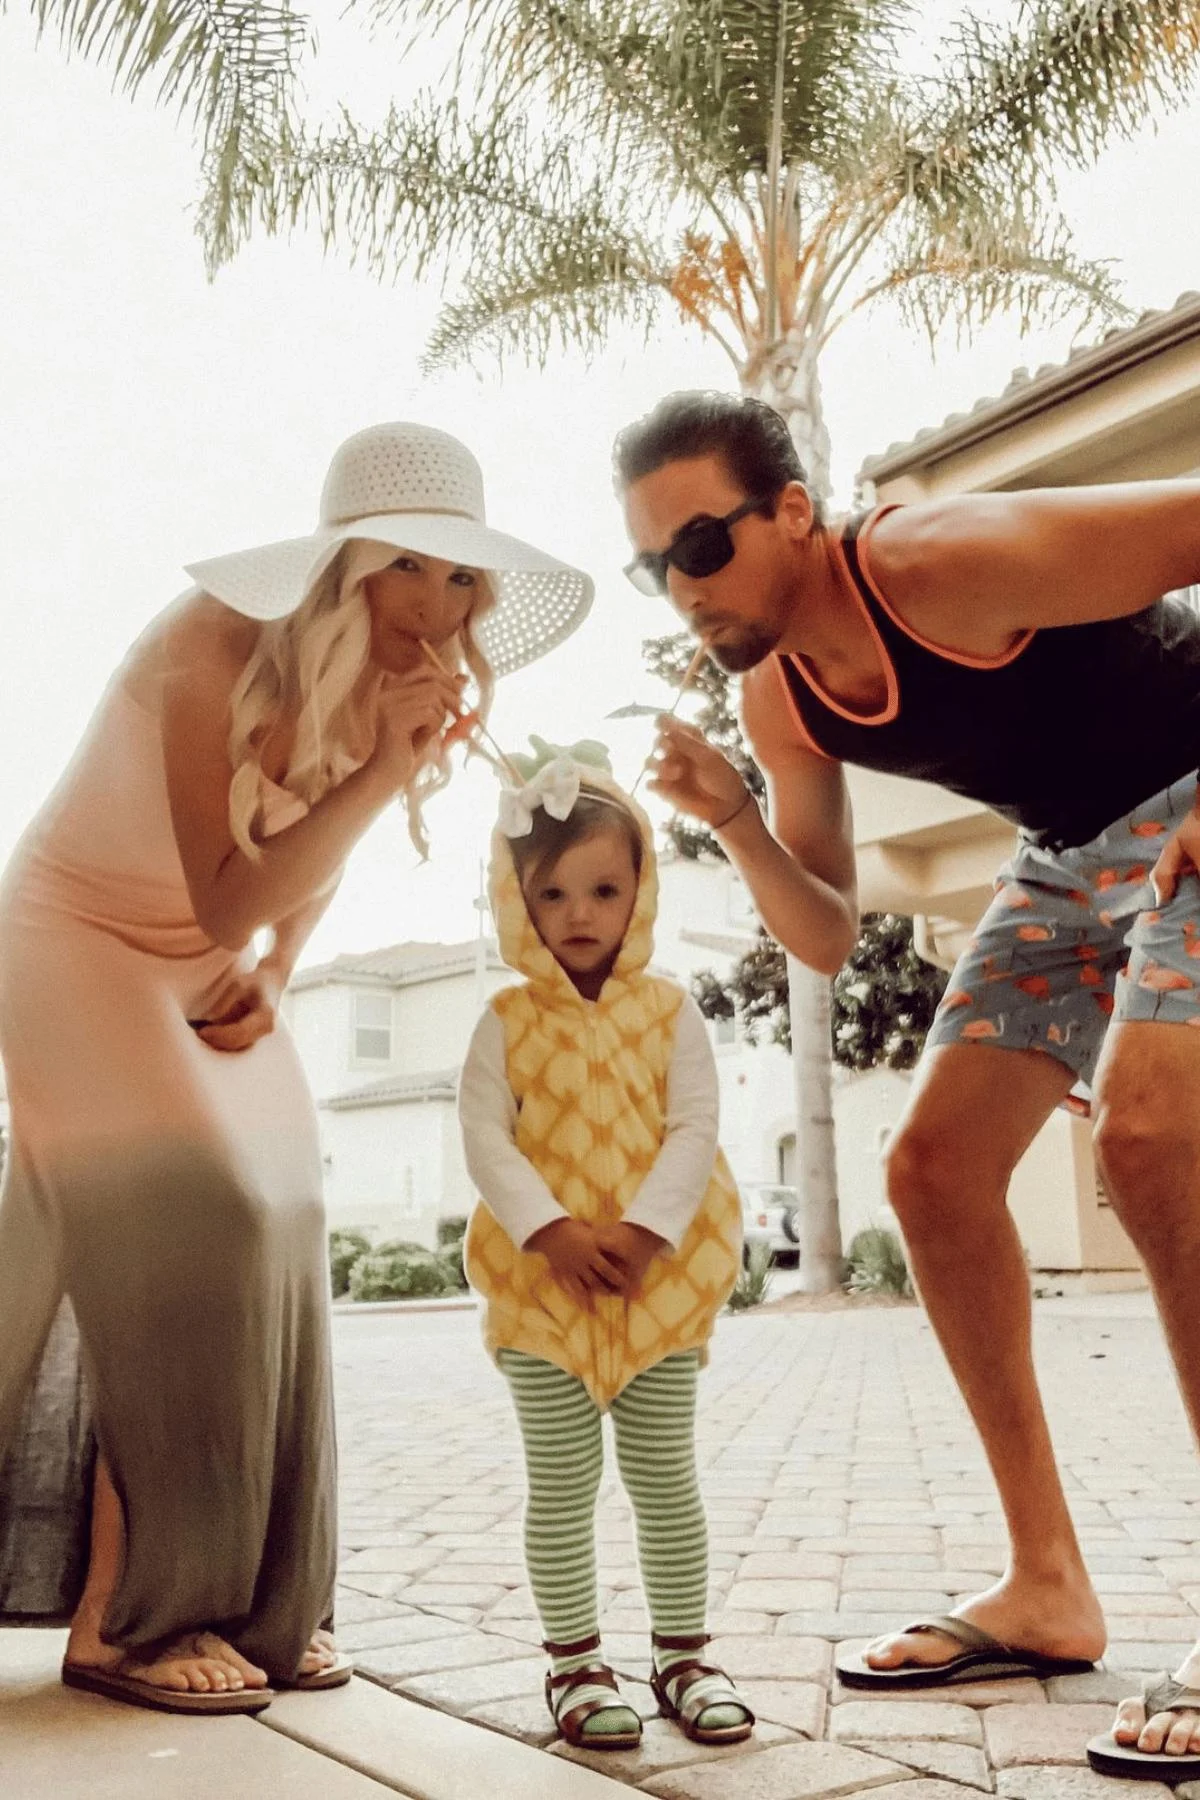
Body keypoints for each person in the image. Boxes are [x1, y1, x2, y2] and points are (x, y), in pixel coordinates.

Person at [613, 388, 1200, 1779]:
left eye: (701, 545)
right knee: (931, 1173)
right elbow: (823, 929)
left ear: (795, 513)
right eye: (655, 566)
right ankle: (1046, 1583)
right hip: (1068, 861)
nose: (680, 587)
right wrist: (739, 818)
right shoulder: (777, 698)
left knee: (1153, 1130)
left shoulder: (938, 560)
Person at [0, 421, 592, 1714]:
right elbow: (222, 894)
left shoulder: (395, 686)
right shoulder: (210, 637)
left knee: (292, 1204)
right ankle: (126, 1622)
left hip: (205, 952)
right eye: (412, 572)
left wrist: (281, 971)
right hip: (69, 940)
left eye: (461, 584)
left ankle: (265, 1608)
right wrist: (384, 769)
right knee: (197, 1212)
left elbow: (297, 872)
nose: (437, 611)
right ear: (346, 565)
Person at [457, 748, 753, 1751]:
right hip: (544, 1293)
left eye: (604, 888)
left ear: (640, 891)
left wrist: (639, 1230)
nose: (580, 911)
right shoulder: (504, 1022)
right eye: (553, 892)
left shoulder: (671, 1012)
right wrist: (550, 1228)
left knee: (666, 1474)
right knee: (563, 1480)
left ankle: (684, 1655)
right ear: (517, 899)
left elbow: (694, 1127)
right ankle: (576, 1665)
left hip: (657, 1281)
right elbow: (487, 1136)